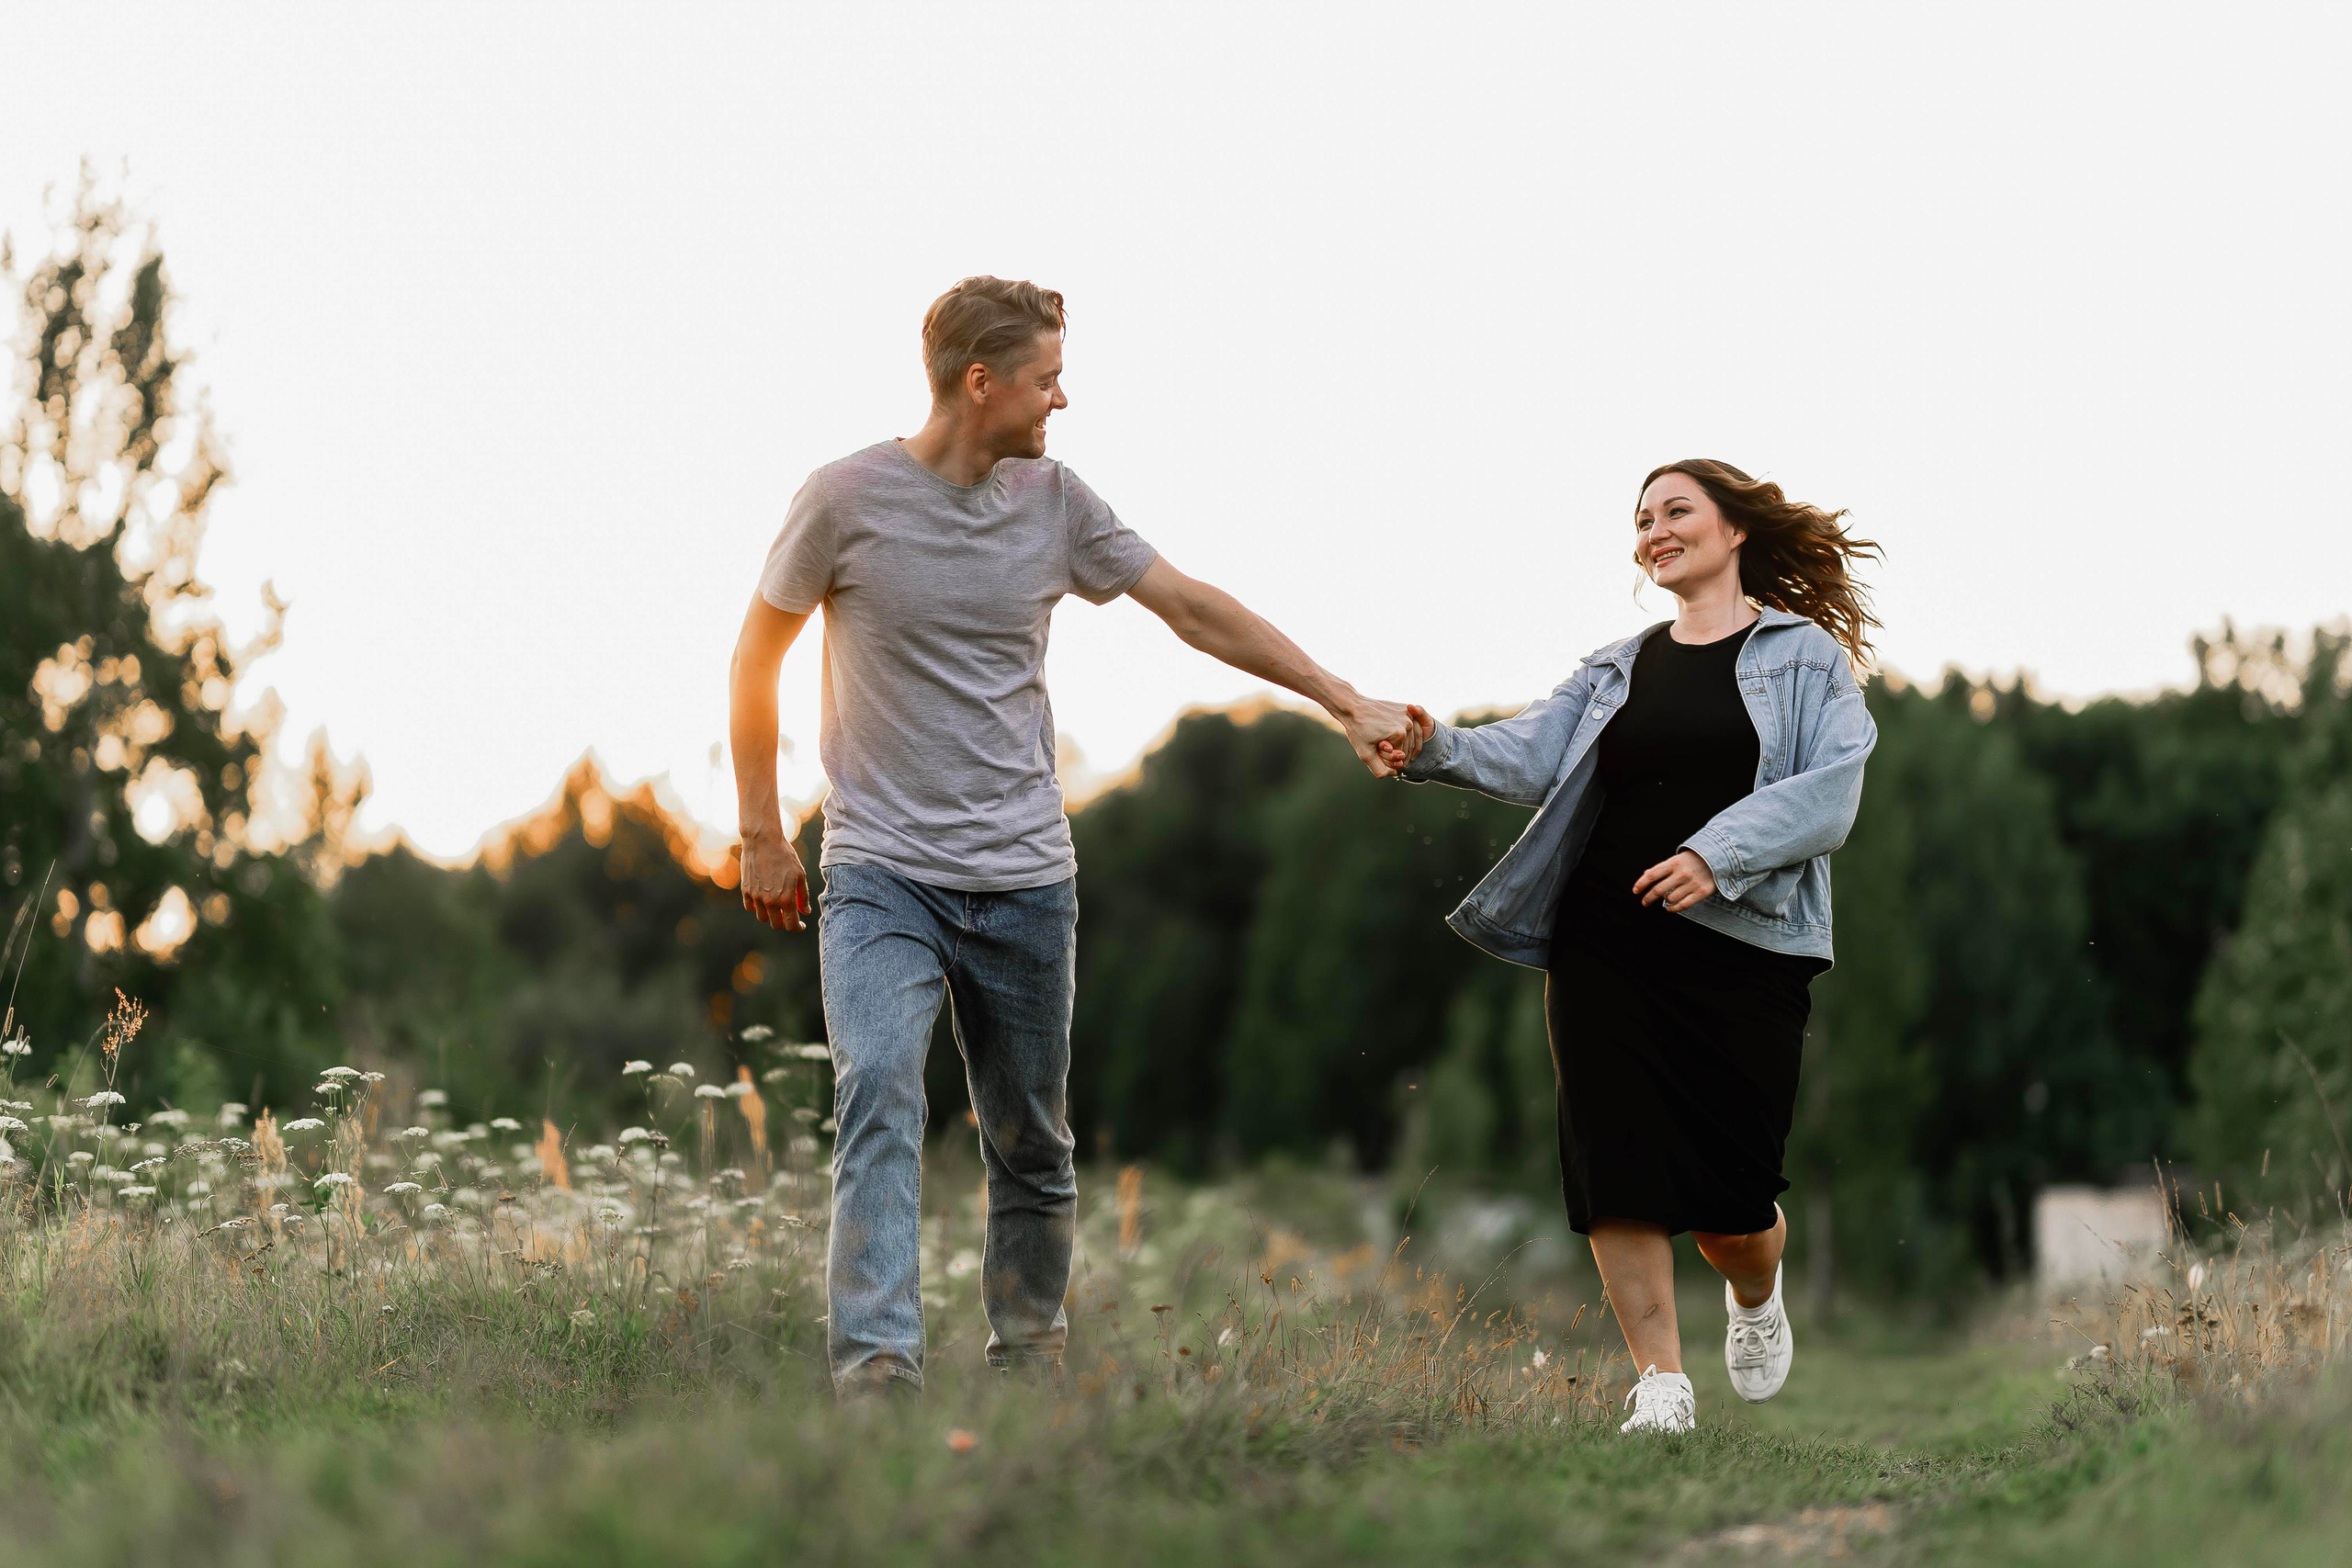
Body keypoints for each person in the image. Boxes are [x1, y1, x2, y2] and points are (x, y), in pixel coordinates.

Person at [729, 276, 1414, 1399]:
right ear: (979, 381)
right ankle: (877, 1374)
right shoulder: (842, 499)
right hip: (879, 870)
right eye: (1046, 377)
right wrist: (760, 830)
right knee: (879, 1095)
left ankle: (1026, 1367)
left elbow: (1190, 605)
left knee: (1032, 1143)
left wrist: (1340, 698)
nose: (1063, 397)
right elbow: (755, 657)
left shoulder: (1056, 502)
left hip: (1025, 879)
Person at [1378, 460, 1880, 1435]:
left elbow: (1835, 787)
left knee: (1733, 1206)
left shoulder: (1802, 658)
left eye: (1674, 511)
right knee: (1614, 1160)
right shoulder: (1617, 667)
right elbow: (1527, 752)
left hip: (1749, 946)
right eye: (1641, 519)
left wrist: (1714, 853)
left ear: (1734, 530)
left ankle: (1752, 1287)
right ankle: (1659, 1384)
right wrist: (1432, 743)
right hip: (1606, 937)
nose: (1653, 531)